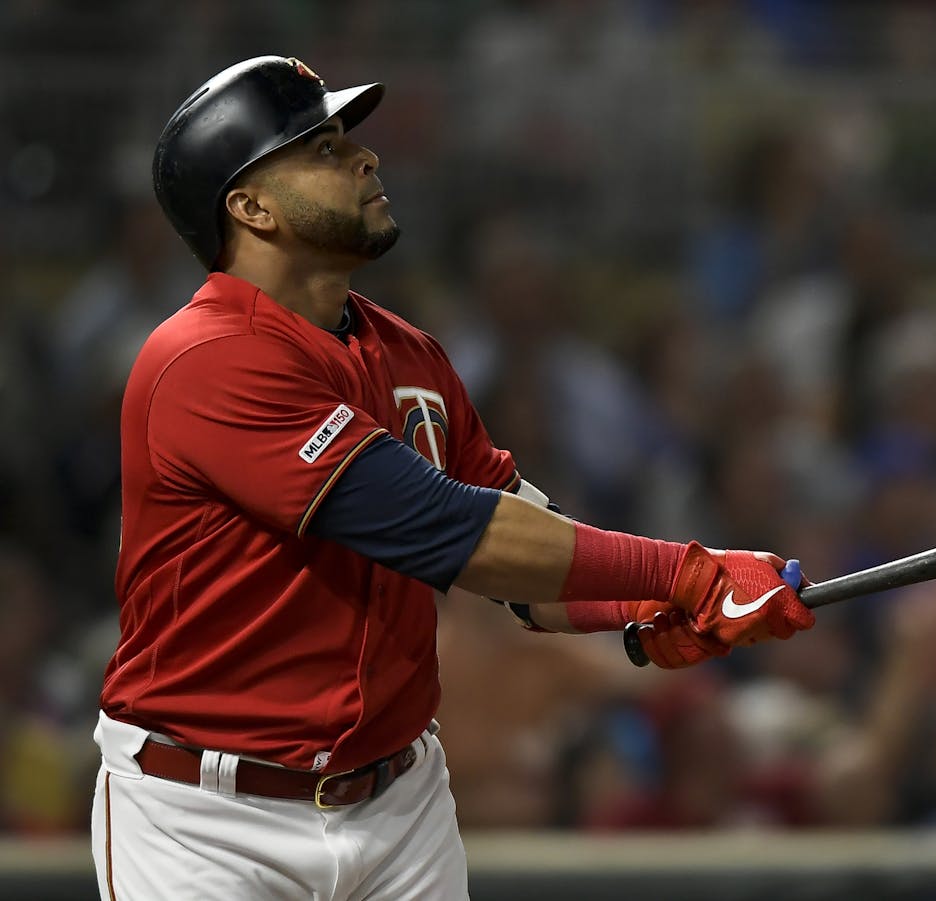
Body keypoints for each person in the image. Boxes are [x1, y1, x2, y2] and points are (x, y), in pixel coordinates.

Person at [91, 55, 815, 901]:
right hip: (205, 819)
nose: (364, 159)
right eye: (320, 148)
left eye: (348, 142)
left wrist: (652, 610)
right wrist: (689, 571)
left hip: (400, 803)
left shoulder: (410, 354)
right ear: (247, 207)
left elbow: (520, 565)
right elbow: (452, 531)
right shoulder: (204, 358)